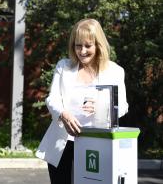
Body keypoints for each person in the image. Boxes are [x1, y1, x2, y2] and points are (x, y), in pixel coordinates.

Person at [36, 18, 128, 184]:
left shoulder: (115, 71)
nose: (82, 51)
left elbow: (122, 106)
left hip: (96, 143)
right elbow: (52, 99)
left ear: (98, 45)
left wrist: (102, 107)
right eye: (78, 45)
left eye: (88, 46)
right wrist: (63, 114)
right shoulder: (63, 66)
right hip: (62, 144)